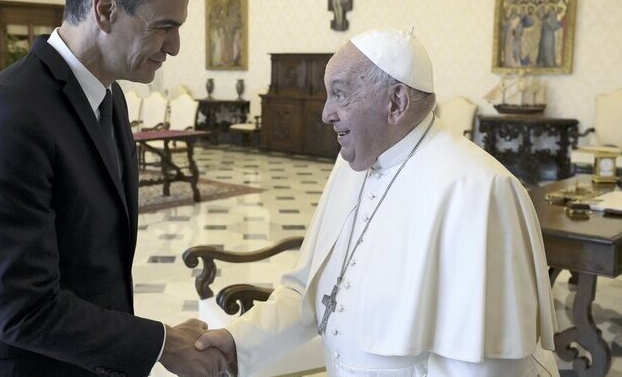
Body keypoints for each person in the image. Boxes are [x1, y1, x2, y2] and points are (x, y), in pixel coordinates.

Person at [196, 29, 559, 377]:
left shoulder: (479, 189)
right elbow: (308, 292)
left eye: (340, 94)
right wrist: (235, 342)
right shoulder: (352, 163)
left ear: (396, 102)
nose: (325, 113)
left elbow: (484, 365)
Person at [0, 0, 227, 376]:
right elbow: (24, 310)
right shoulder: (5, 113)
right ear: (105, 9)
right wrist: (158, 344)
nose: (174, 47)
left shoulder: (109, 96)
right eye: (164, 27)